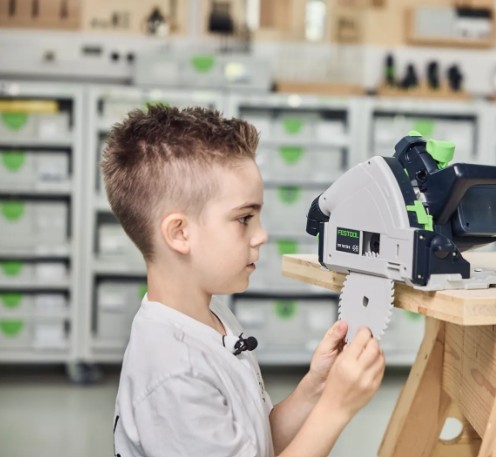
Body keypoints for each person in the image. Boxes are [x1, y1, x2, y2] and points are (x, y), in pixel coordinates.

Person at [102, 105, 386, 457]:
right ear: (180, 233)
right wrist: (336, 408)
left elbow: (255, 443)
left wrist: (318, 386)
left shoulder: (210, 317)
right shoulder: (174, 373)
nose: (262, 235)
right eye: (244, 218)